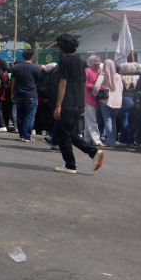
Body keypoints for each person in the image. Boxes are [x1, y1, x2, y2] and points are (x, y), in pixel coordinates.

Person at [53, 33, 104, 174]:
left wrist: (58, 105)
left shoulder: (64, 61)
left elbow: (63, 83)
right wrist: (82, 103)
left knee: (64, 135)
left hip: (67, 102)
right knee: (70, 133)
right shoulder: (79, 62)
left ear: (62, 47)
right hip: (78, 102)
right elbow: (83, 83)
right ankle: (92, 153)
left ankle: (71, 164)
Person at [10, 49, 42, 142]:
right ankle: (27, 136)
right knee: (30, 115)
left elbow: (13, 82)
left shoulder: (16, 67)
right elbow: (39, 82)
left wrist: (12, 93)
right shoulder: (36, 68)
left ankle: (22, 135)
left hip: (19, 94)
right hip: (31, 94)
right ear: (32, 56)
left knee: (20, 115)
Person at [93, 59, 122, 148]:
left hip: (105, 100)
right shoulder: (118, 76)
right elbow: (122, 88)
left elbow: (96, 86)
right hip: (117, 102)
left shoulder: (103, 75)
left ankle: (110, 141)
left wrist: (94, 94)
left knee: (107, 120)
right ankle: (113, 140)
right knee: (113, 120)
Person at [83, 56, 102, 146]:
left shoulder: (98, 71)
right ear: (91, 62)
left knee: (88, 120)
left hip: (93, 98)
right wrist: (97, 86)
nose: (98, 62)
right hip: (88, 98)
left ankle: (87, 139)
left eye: (99, 61)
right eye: (96, 61)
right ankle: (97, 140)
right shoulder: (87, 71)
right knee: (92, 120)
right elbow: (85, 84)